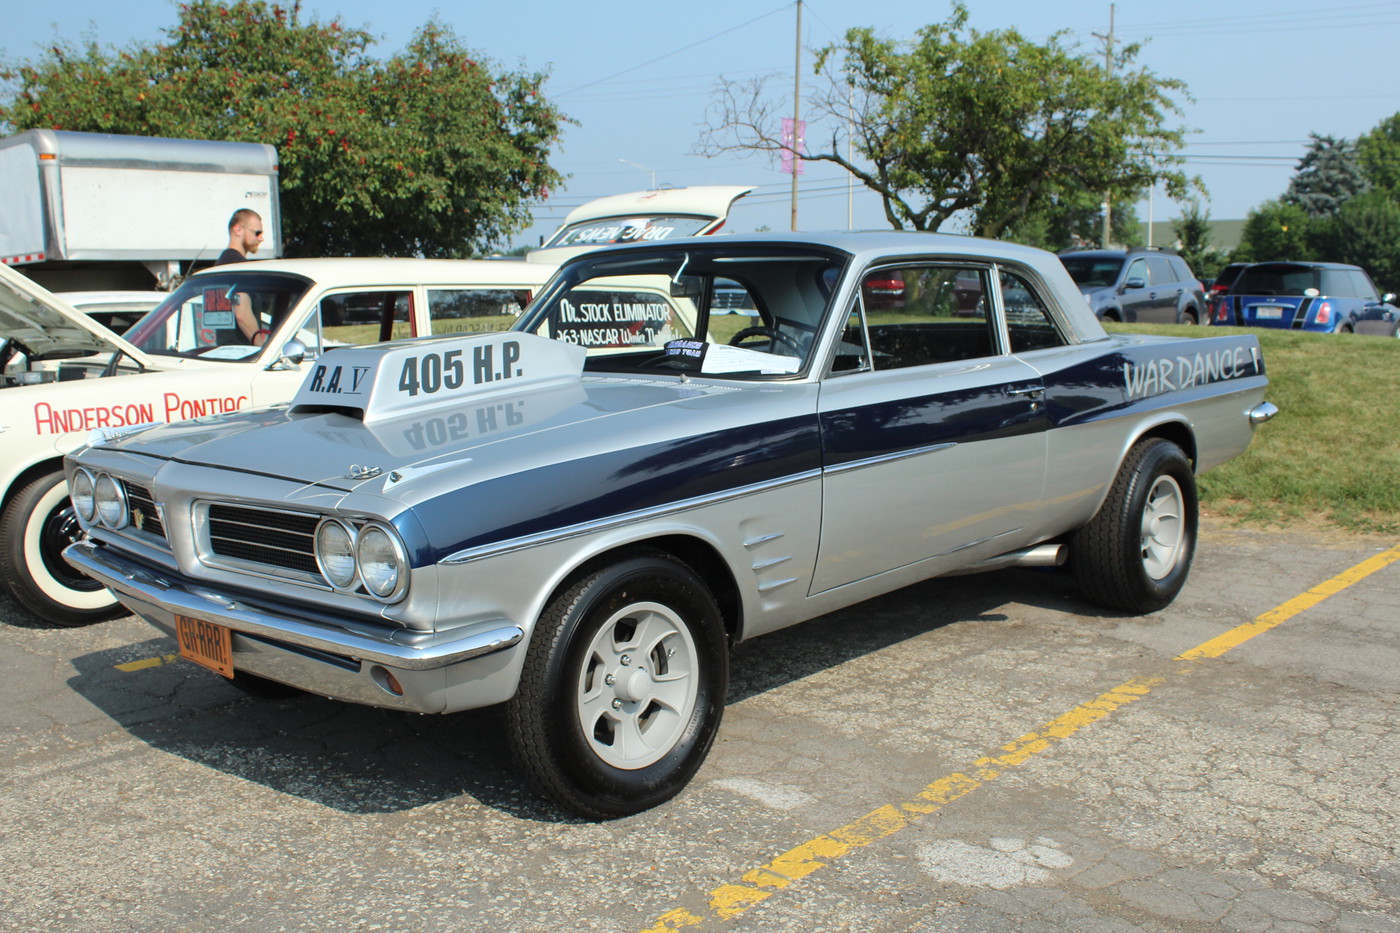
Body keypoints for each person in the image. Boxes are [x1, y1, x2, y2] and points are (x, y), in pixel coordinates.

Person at [215, 209, 267, 344]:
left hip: (223, 352)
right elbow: (242, 314)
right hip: (243, 354)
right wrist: (262, 348)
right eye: (257, 233)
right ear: (238, 230)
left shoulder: (219, 266)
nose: (261, 238)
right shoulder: (240, 267)